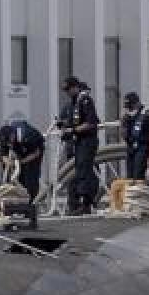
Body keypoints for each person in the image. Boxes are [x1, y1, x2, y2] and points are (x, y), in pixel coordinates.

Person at [61, 76, 100, 214]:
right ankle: (79, 203)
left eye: (69, 89)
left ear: (75, 87)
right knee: (78, 171)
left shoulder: (85, 101)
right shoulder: (73, 103)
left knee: (85, 171)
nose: (67, 92)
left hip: (87, 141)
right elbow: (72, 122)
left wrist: (73, 130)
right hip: (78, 141)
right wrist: (66, 127)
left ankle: (86, 203)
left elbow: (91, 122)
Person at [0, 117, 45, 228]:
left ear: (13, 136)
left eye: (9, 142)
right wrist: (9, 162)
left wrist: (21, 162)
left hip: (34, 150)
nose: (8, 145)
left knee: (30, 179)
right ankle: (15, 207)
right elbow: (3, 154)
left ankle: (30, 209)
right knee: (14, 180)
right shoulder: (6, 137)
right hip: (20, 149)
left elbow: (36, 153)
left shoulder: (29, 135)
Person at [121, 91, 149, 181]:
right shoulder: (127, 116)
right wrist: (123, 124)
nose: (129, 110)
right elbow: (124, 134)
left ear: (137, 104)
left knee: (138, 175)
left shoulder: (148, 114)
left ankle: (140, 191)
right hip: (131, 148)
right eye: (127, 108)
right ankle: (131, 192)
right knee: (130, 177)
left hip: (143, 147)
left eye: (131, 107)